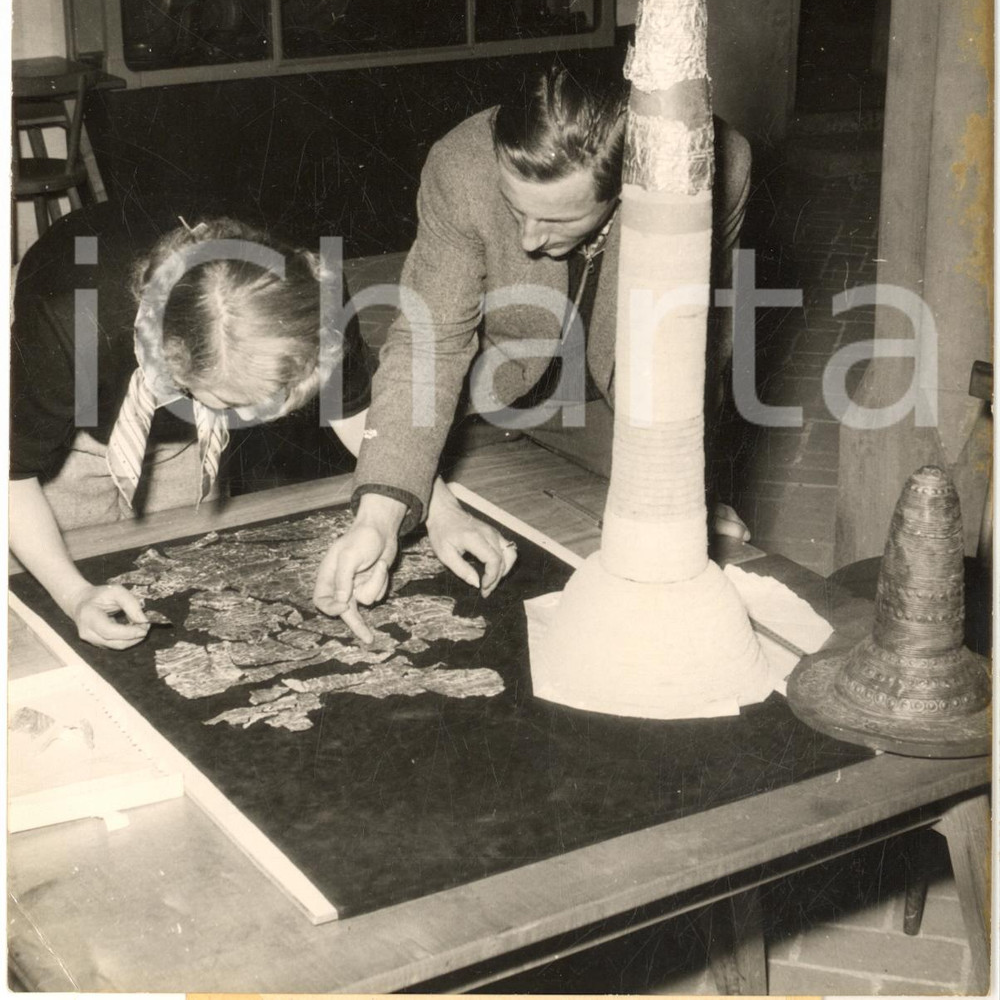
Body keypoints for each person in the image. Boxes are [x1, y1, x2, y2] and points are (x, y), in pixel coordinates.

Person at [315, 54, 752, 630]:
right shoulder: (462, 167)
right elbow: (432, 343)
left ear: (621, 194)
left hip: (614, 397)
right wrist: (378, 515)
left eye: (555, 222)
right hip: (488, 397)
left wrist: (682, 493)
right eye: (516, 210)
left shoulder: (710, 167)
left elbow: (687, 344)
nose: (526, 239)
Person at [9, 203, 382, 649]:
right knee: (62, 592)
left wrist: (432, 505)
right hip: (68, 421)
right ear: (173, 362)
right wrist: (75, 596)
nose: (257, 422)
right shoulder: (68, 327)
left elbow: (358, 411)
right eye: (235, 404)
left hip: (177, 391)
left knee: (187, 572)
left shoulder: (314, 300)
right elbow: (10, 475)